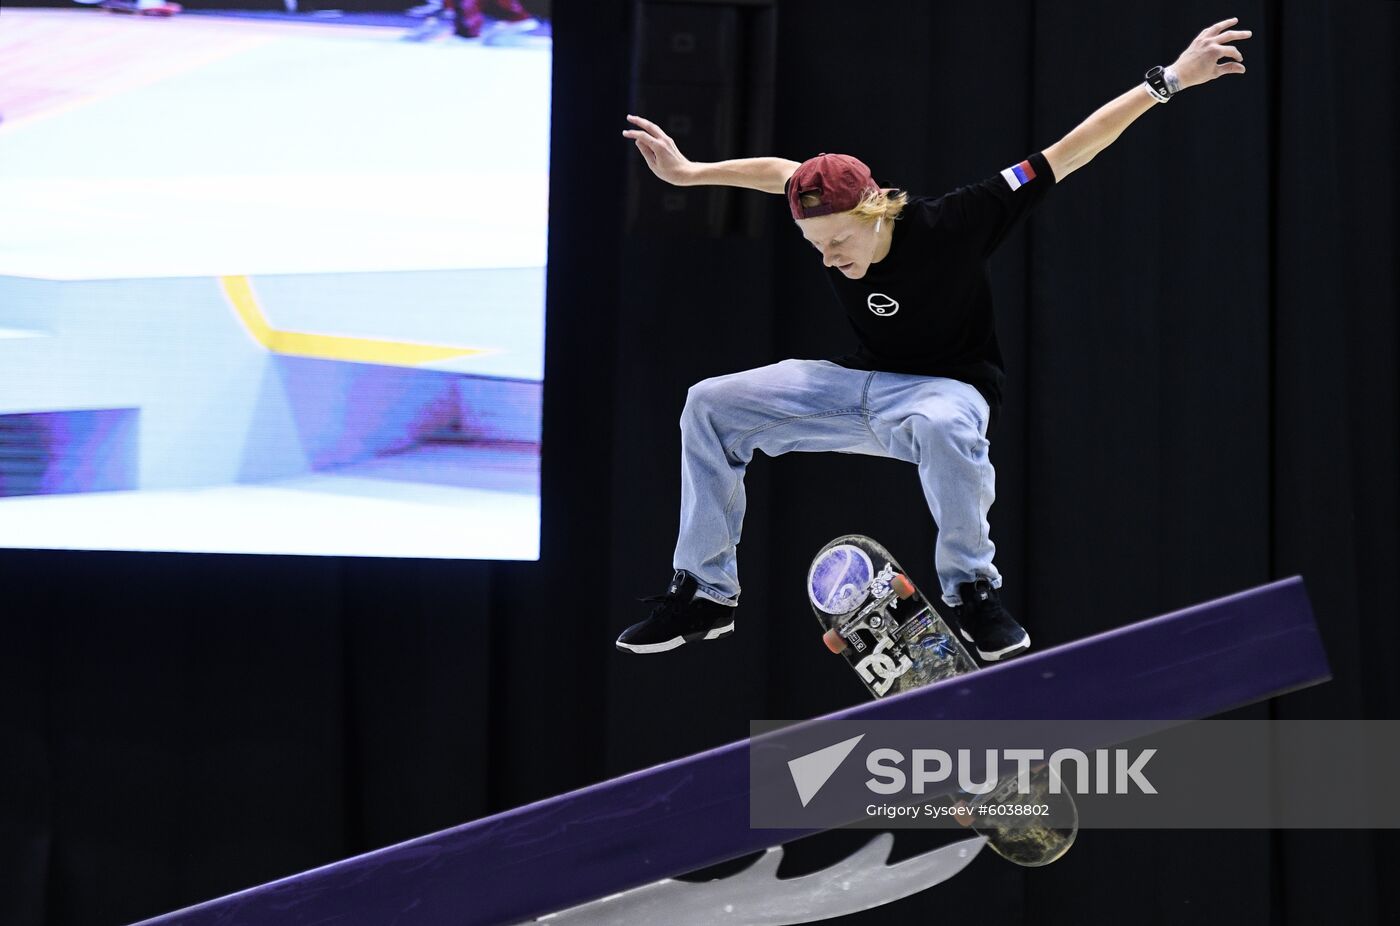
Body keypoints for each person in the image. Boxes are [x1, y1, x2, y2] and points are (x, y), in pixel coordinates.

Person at [616, 18, 1250, 659]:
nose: (831, 259)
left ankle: (972, 591)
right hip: (861, 384)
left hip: (950, 390)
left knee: (947, 425)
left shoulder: (959, 220)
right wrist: (690, 175)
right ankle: (705, 594)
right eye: (817, 249)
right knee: (710, 403)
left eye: (839, 242)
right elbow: (779, 172)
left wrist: (1169, 81)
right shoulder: (819, 208)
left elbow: (1071, 150)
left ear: (876, 210)